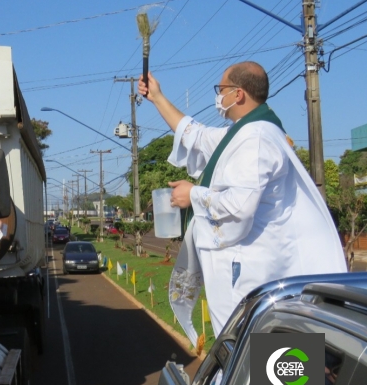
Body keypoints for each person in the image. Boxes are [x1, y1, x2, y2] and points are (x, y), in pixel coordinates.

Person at [138, 61, 346, 339]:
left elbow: (239, 205)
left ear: (238, 94)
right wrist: (157, 97)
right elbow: (195, 135)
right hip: (251, 275)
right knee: (247, 363)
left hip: (258, 276)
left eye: (220, 89)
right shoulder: (243, 133)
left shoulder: (257, 138)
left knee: (276, 370)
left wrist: (193, 195)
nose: (217, 96)